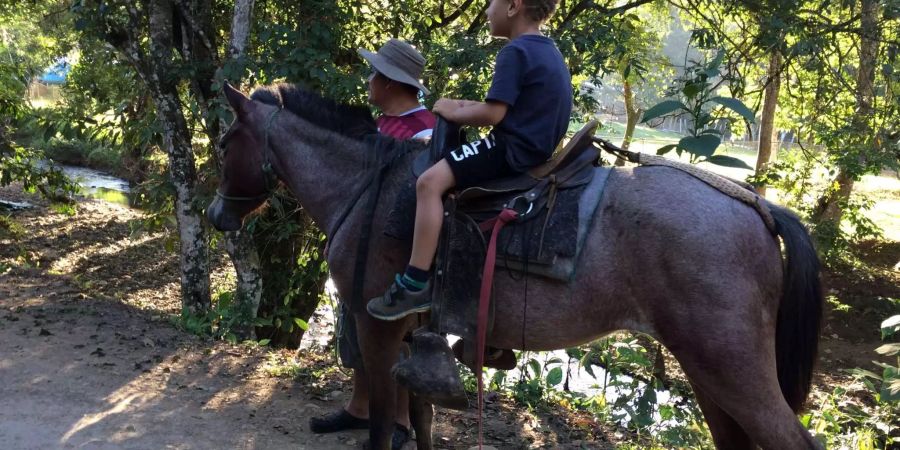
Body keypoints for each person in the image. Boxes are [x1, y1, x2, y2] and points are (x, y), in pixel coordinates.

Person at [367, 0, 572, 320]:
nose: (488, 9)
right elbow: (500, 103)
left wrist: (450, 110)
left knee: (429, 183)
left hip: (509, 150)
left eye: (492, 2)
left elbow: (493, 113)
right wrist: (454, 105)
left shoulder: (514, 52)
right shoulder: (548, 50)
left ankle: (414, 282)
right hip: (534, 150)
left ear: (513, 6)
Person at [308, 39, 435, 450]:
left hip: (396, 256)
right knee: (358, 331)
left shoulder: (426, 131)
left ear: (390, 82)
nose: (369, 81)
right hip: (361, 252)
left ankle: (399, 421)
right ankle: (360, 406)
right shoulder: (378, 126)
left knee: (393, 340)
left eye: (374, 74)